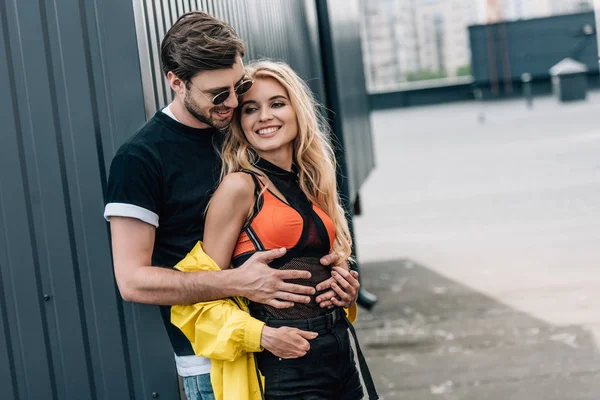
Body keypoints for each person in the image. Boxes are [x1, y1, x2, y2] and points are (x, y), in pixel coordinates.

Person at [104, 12, 357, 400]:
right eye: (219, 94)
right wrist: (235, 282)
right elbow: (132, 281)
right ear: (176, 82)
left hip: (297, 348)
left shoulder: (243, 130)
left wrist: (337, 273)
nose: (235, 102)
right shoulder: (140, 160)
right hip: (214, 361)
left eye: (238, 87)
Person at [171, 60, 378, 400]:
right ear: (240, 122)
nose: (264, 116)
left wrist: (347, 292)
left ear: (297, 109)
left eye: (277, 103)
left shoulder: (315, 183)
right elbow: (196, 303)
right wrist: (262, 335)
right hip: (285, 362)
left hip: (339, 349)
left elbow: (326, 269)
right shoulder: (239, 188)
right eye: (251, 109)